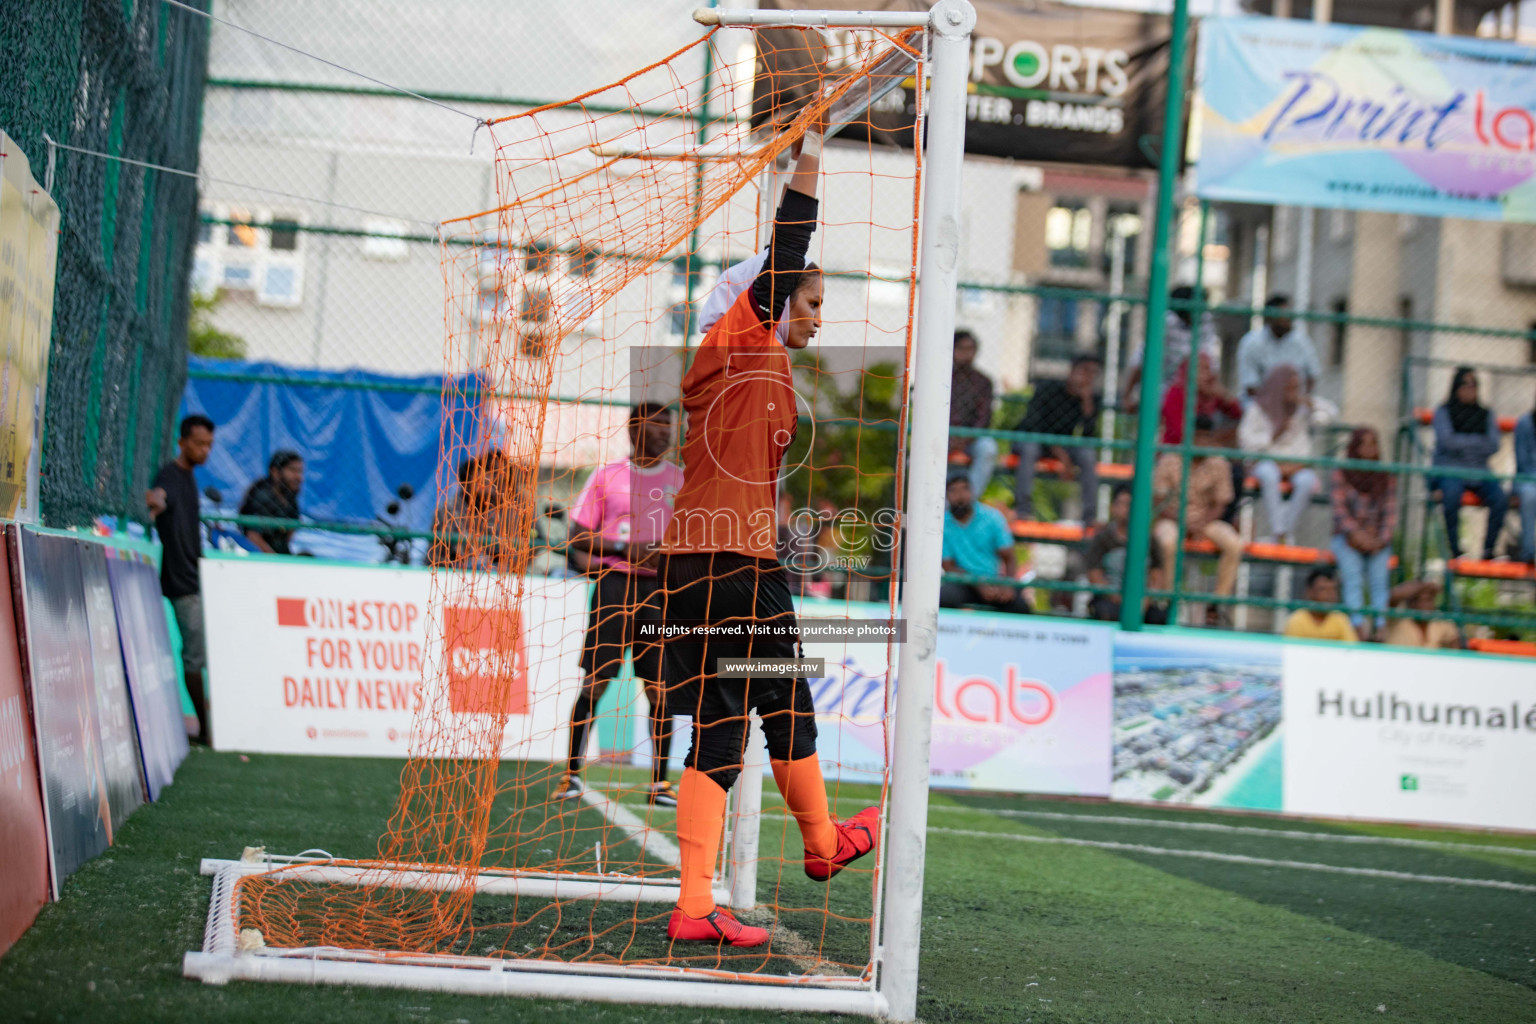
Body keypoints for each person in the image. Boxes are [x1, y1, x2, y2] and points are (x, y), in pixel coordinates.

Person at [657, 128, 878, 949]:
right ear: (772, 300)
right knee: (771, 707)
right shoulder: (744, 343)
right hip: (733, 567)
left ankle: (729, 891)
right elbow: (788, 245)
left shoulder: (757, 368)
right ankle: (816, 849)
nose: (819, 318)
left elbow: (745, 476)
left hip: (697, 565)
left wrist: (790, 531)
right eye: (811, 303)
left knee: (744, 716)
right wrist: (812, 153)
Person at [557, 403, 683, 807]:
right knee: (595, 683)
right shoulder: (606, 476)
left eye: (669, 423)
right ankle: (572, 776)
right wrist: (626, 548)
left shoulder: (682, 480)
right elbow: (577, 537)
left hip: (661, 596)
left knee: (662, 690)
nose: (665, 431)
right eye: (657, 422)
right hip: (615, 589)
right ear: (634, 428)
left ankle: (659, 785)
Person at [147, 414, 215, 745]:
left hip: (195, 578)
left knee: (200, 654)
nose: (205, 451)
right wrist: (153, 504)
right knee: (194, 657)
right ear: (182, 442)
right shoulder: (171, 476)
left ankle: (207, 725)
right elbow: (158, 496)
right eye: (199, 444)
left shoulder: (188, 476)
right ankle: (204, 729)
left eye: (209, 445)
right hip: (183, 582)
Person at [1152, 416, 1241, 625]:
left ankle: (1217, 604)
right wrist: (1184, 523)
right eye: (1197, 437)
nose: (1201, 442)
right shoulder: (1170, 459)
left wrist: (1200, 524)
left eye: (1205, 437)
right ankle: (1168, 598)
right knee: (1167, 541)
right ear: (1188, 437)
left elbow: (1220, 503)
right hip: (1173, 518)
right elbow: (1159, 501)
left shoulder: (1218, 463)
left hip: (1205, 520)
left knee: (1234, 544)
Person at [1432, 366, 1508, 560]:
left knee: (1500, 498)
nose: (1470, 389)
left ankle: (1489, 550)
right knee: (1451, 494)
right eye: (1465, 384)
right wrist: (1476, 442)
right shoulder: (1444, 411)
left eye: (1474, 385)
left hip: (1480, 471)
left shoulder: (1485, 413)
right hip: (1451, 470)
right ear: (1456, 387)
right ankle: (1455, 550)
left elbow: (1493, 444)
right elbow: (1447, 441)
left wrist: (1462, 442)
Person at [1012, 355, 1101, 522]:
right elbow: (1034, 425)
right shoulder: (1048, 388)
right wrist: (1061, 455)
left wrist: (1086, 403)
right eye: (1085, 370)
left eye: (1093, 373)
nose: (1088, 376)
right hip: (1033, 438)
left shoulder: (1091, 398)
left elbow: (1088, 435)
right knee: (1030, 449)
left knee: (1087, 455)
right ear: (1072, 371)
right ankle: (1023, 510)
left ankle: (1089, 517)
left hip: (1063, 445)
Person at [1239, 365, 1318, 543]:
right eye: (1289, 387)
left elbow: (1327, 418)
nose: (1293, 393)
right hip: (1265, 462)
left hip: (1294, 465)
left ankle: (1284, 533)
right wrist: (1274, 434)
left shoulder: (1300, 411)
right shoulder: (1258, 409)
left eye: (1296, 388)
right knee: (1269, 473)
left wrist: (1312, 405)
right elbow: (1246, 441)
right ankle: (1278, 529)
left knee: (1307, 480)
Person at [1330, 427, 1396, 637]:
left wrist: (1379, 540)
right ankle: (1357, 624)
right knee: (1353, 576)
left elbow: (1390, 514)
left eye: (1373, 444)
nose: (1368, 449)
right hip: (1347, 538)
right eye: (1363, 444)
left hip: (1377, 540)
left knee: (1379, 578)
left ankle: (1380, 625)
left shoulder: (1386, 476)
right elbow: (1339, 511)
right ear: (1354, 448)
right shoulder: (1342, 473)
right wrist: (1356, 535)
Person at [940, 471, 1032, 613]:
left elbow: (1009, 556)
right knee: (944, 597)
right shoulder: (942, 524)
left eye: (965, 489)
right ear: (946, 496)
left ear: (972, 492)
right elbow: (948, 566)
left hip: (994, 581)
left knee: (1020, 606)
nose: (960, 496)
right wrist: (976, 582)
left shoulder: (992, 517)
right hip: (964, 583)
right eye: (953, 491)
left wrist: (1008, 585)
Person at [1122, 284, 1222, 415]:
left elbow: (1211, 363)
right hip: (1164, 389)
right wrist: (1127, 396)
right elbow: (1141, 360)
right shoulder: (1166, 323)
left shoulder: (1206, 322)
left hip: (1196, 390)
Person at [1086, 484, 1166, 624]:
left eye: (1131, 504)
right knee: (1105, 612)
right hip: (1109, 600)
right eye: (1123, 504)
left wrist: (1145, 598)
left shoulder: (1150, 540)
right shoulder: (1102, 538)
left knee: (1160, 617)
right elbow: (1094, 575)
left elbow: (1157, 574)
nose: (1127, 509)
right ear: (1113, 507)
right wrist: (1118, 597)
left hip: (1142, 601)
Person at [1235, 294, 1320, 401]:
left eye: (1289, 314)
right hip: (1261, 403)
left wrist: (1298, 399)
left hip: (1295, 402)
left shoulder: (1301, 341)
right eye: (1282, 315)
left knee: (1327, 411)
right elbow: (1250, 386)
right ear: (1268, 317)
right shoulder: (1251, 343)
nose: (1287, 319)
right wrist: (1278, 401)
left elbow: (1312, 376)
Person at [949, 330, 996, 496]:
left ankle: (968, 502)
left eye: (971, 349)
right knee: (916, 458)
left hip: (971, 438)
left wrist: (965, 438)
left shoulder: (983, 381)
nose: (966, 353)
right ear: (952, 349)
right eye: (962, 348)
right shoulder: (940, 376)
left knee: (988, 449)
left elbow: (984, 418)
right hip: (943, 434)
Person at [238, 450, 303, 554]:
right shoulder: (261, 497)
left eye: (300, 472)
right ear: (275, 472)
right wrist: (275, 561)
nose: (298, 477)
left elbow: (291, 529)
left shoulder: (290, 498)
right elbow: (252, 536)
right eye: (292, 470)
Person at [1283, 567, 1359, 642]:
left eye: (1334, 589)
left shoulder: (1340, 619)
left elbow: (1351, 650)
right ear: (1310, 592)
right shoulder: (1297, 620)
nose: (1330, 595)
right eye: (1323, 589)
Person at [1385, 580, 1460, 649]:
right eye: (1421, 601)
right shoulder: (1398, 619)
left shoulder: (1440, 623)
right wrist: (1424, 586)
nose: (1426, 606)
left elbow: (1455, 647)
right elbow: (1393, 596)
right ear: (1412, 604)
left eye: (1429, 600)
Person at [1512, 394, 1534, 565]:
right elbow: (1523, 462)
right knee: (1529, 494)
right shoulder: (1526, 423)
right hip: (1528, 477)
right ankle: (1528, 553)